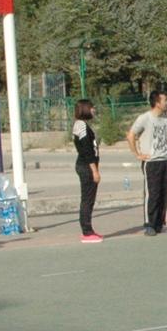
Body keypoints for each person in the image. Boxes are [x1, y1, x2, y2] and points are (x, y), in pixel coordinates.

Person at [127, 90, 167, 236]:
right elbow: (131, 135)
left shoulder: (166, 119)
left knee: (164, 193)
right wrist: (137, 153)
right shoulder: (145, 118)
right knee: (152, 193)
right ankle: (149, 224)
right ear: (157, 103)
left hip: (163, 160)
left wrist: (162, 147)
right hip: (151, 162)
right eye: (165, 100)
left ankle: (160, 223)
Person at [70, 98, 102, 242]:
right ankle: (87, 231)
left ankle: (88, 229)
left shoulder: (81, 124)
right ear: (85, 109)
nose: (94, 110)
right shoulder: (81, 125)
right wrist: (94, 170)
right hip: (86, 166)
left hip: (86, 165)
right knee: (87, 199)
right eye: (91, 107)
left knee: (89, 199)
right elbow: (86, 150)